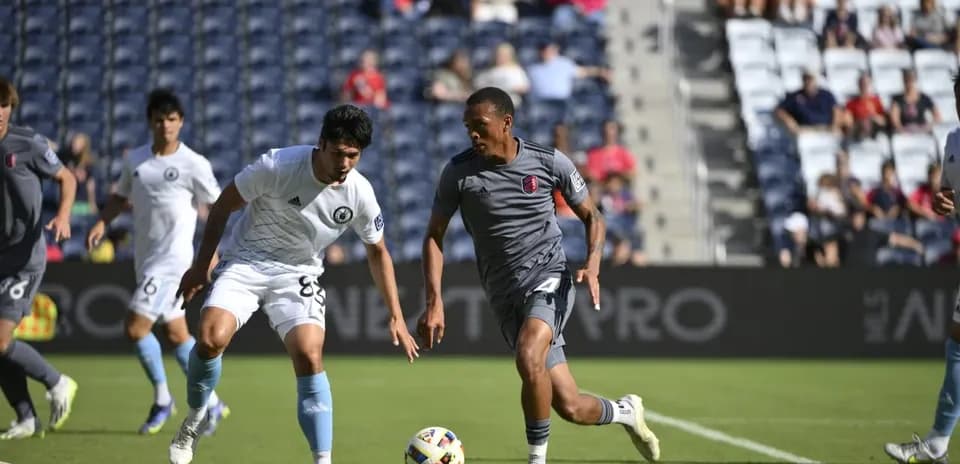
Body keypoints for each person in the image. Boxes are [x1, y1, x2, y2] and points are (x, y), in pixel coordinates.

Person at [419, 87, 660, 464]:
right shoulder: (458, 173)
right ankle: (625, 411)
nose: (473, 135)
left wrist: (593, 264)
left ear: (506, 122)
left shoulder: (548, 162)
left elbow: (593, 216)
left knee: (530, 355)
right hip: (503, 293)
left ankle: (536, 460)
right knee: (570, 405)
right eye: (468, 127)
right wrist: (434, 302)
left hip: (549, 276)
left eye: (480, 126)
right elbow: (433, 236)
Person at [168, 104, 419, 464]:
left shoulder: (360, 193)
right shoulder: (278, 166)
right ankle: (195, 417)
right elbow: (223, 206)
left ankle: (323, 460)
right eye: (339, 153)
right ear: (321, 144)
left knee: (309, 353)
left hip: (298, 271)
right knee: (210, 339)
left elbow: (378, 252)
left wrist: (395, 314)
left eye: (354, 155)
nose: (345, 163)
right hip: (246, 262)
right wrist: (200, 264)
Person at [85, 89, 229, 435]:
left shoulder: (193, 163)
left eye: (172, 119)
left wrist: (210, 256)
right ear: (150, 121)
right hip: (145, 258)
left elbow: (218, 208)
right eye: (160, 119)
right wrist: (102, 222)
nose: (166, 125)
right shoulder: (136, 160)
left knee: (136, 327)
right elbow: (120, 196)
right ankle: (213, 403)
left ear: (181, 122)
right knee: (178, 335)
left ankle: (163, 399)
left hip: (173, 261)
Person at [883, 74, 960, 463]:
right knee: (958, 344)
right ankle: (938, 442)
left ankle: (938, 442)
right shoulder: (953, 142)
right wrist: (942, 203)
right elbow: (945, 197)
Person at [0, 76, 79, 439]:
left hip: (24, 259)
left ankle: (57, 381)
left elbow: (67, 178)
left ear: (10, 108)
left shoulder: (28, 143)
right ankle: (25, 418)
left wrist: (63, 215)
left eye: (4, 107)